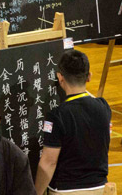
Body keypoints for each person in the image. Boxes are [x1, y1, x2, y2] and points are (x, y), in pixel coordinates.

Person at [34, 49, 111, 195]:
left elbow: (48, 162)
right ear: (89, 77)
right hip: (100, 188)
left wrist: (36, 192)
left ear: (60, 77)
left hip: (66, 190)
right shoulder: (104, 107)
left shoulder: (56, 116)